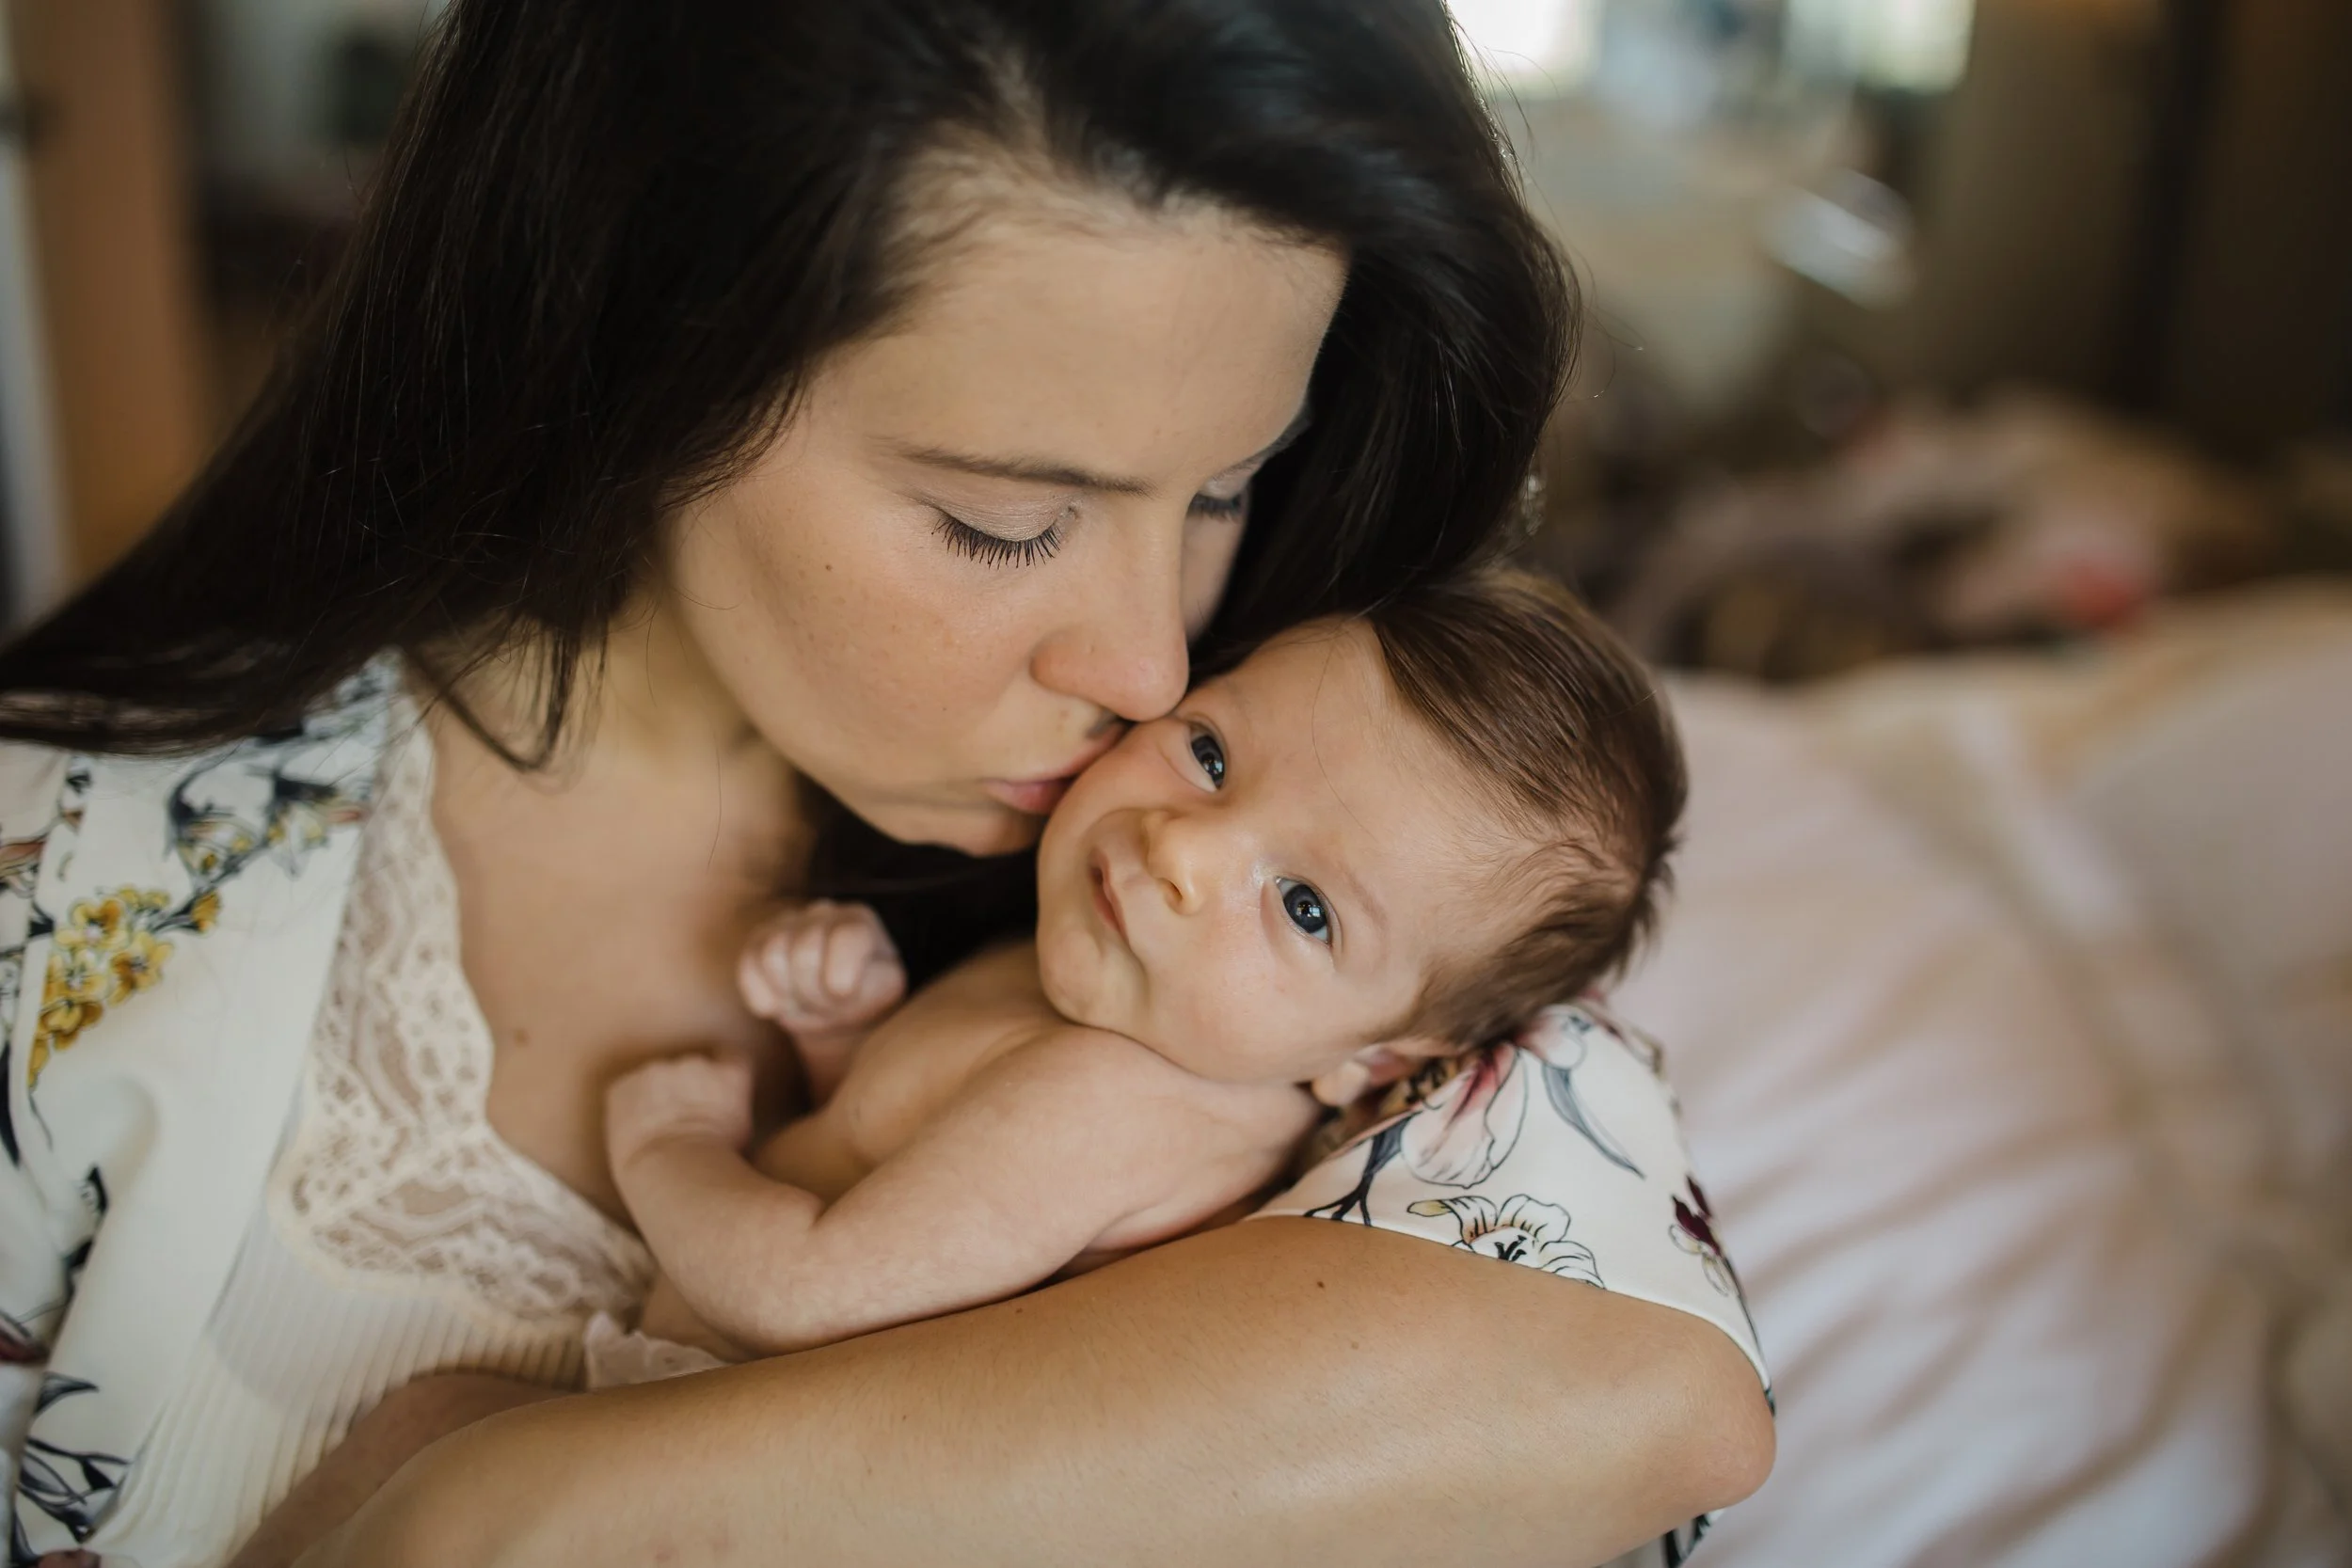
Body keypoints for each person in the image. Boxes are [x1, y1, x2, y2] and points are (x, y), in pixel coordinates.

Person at [0, 4, 1772, 1566]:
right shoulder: (71, 876)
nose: (1157, 670)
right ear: (644, 341)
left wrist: (523, 1509)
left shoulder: (1367, 863)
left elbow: (1659, 1396)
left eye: (1229, 487)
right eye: (1006, 520)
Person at [595, 572, 1691, 1374]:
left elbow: (806, 1296)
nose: (1183, 849)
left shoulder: (1111, 1102)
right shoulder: (1112, 985)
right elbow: (907, 1179)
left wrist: (669, 1147)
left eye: (1304, 906)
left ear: (1379, 1055)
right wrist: (846, 1035)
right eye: (1210, 753)